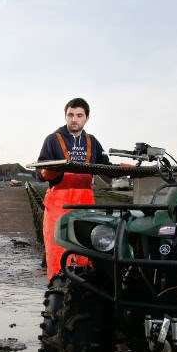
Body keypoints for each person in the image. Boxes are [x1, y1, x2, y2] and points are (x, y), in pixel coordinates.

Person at [37, 97, 110, 281]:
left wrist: (127, 169)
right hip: (57, 207)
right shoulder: (52, 140)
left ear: (87, 118)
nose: (74, 119)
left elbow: (106, 168)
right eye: (70, 115)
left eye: (79, 115)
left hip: (85, 206)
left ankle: (83, 291)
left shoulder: (93, 142)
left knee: (85, 249)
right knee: (57, 251)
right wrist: (49, 172)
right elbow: (39, 173)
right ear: (65, 116)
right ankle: (56, 292)